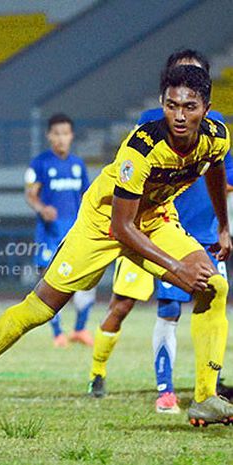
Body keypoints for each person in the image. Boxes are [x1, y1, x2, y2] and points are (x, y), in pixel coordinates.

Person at [0, 65, 233, 430]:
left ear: (206, 106)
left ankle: (204, 398)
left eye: (190, 107)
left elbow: (215, 169)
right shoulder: (141, 149)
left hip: (155, 220)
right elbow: (121, 227)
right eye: (171, 106)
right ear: (161, 103)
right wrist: (176, 267)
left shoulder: (217, 136)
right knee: (38, 309)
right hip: (103, 223)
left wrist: (223, 224)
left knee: (214, 286)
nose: (180, 116)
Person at [88, 50, 233, 413]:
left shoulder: (216, 130)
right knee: (142, 307)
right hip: (158, 227)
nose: (182, 108)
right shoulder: (152, 123)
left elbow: (224, 178)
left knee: (213, 299)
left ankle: (207, 391)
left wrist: (223, 225)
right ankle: (158, 386)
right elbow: (131, 174)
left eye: (195, 77)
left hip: (204, 229)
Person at [24, 113, 94, 348]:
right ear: (49, 136)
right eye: (57, 134)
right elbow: (31, 195)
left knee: (85, 280)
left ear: (71, 135)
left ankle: (80, 329)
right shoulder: (40, 163)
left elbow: (86, 195)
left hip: (74, 234)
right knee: (47, 282)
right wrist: (42, 209)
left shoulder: (78, 164)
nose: (61, 139)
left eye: (65, 133)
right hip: (49, 234)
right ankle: (57, 333)